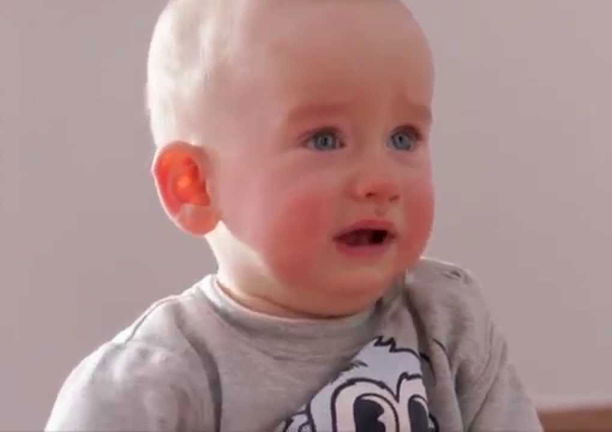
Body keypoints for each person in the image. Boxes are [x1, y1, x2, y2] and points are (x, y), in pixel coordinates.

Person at [46, 0, 542, 430]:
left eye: (403, 137)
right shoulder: (148, 387)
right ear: (194, 185)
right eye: (324, 140)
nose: (382, 180)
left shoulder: (448, 320)